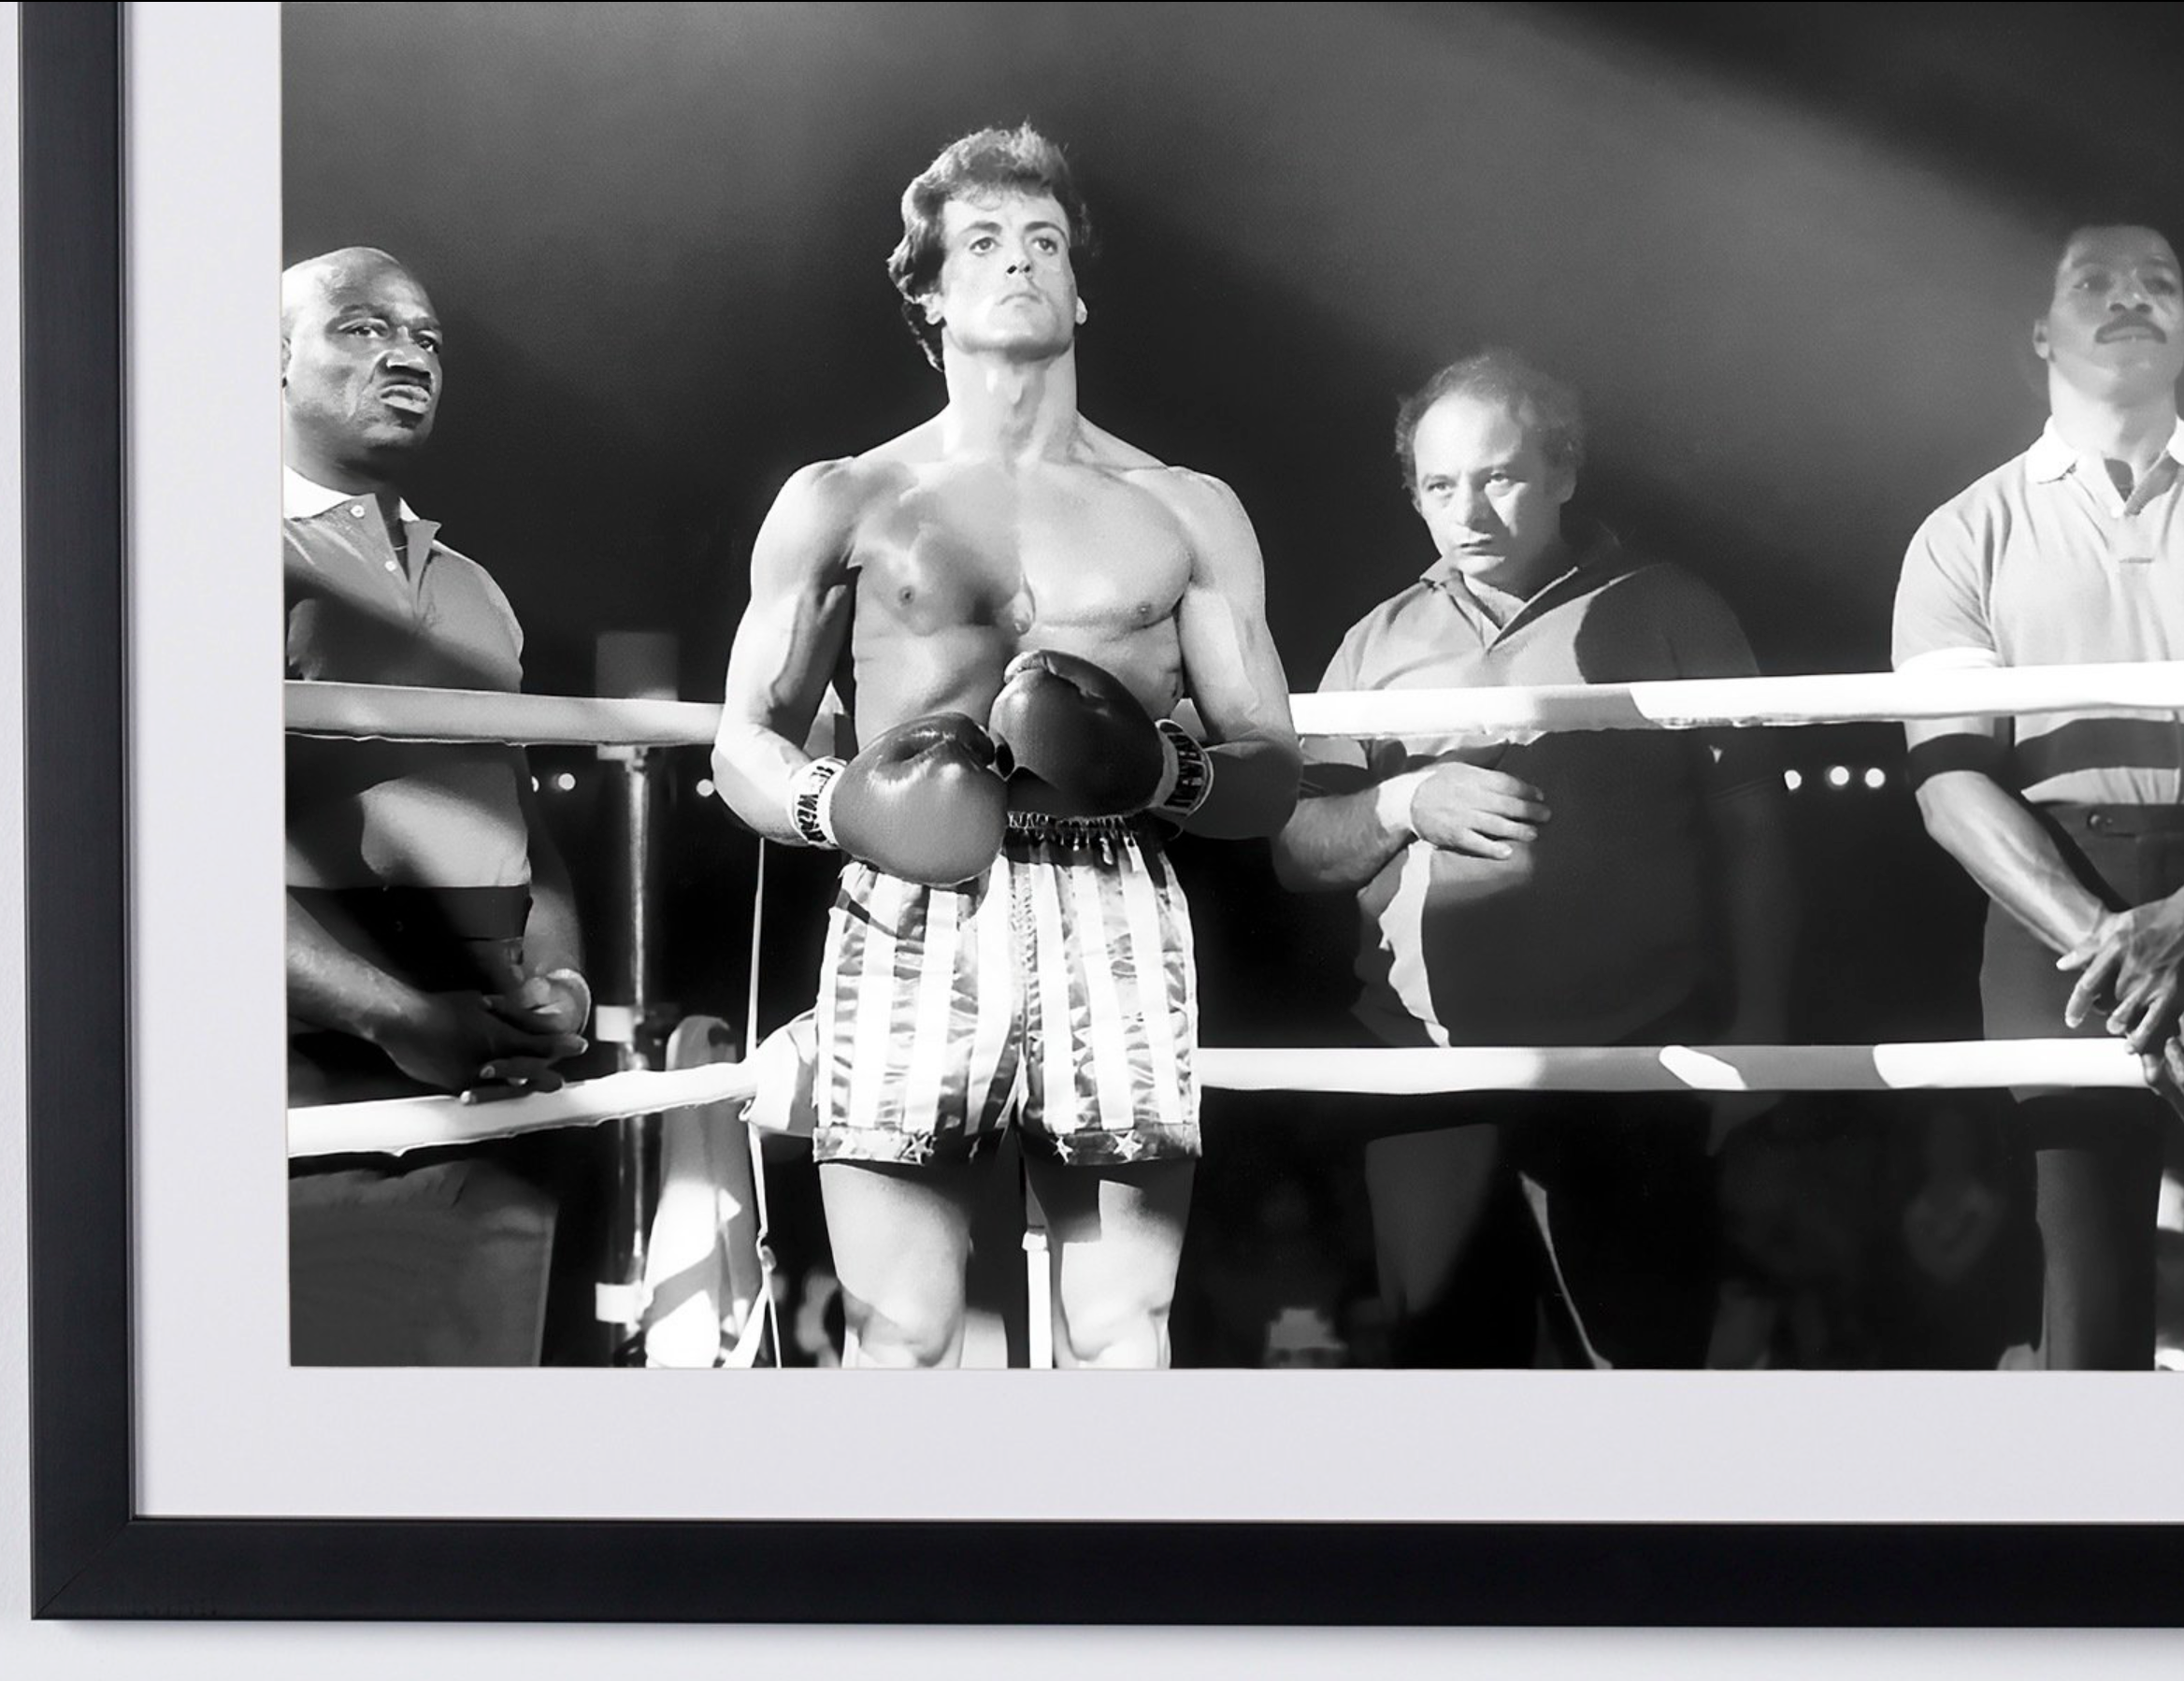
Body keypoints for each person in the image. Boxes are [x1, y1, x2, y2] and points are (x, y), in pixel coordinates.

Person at [711, 126, 1300, 1369]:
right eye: (981, 242)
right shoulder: (844, 498)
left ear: (1079, 290)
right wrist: (838, 805)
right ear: (927, 293)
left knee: (1121, 1326)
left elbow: (1271, 770)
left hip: (1114, 895)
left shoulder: (1186, 508)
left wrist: (1163, 768)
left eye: (1044, 242)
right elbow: (741, 742)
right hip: (907, 900)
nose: (1019, 261)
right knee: (903, 1330)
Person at [1271, 350, 1795, 1369]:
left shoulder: (1673, 608)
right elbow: (1297, 849)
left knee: (1642, 1383)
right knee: (1448, 1384)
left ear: (1563, 471)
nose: (1467, 511)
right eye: (1439, 486)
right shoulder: (1375, 641)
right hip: (1426, 1068)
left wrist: (1762, 1030)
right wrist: (1403, 802)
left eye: (1498, 476)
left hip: (1634, 1060)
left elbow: (1755, 833)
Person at [282, 246, 593, 1363]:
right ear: (272, 358)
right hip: (315, 1076)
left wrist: (562, 980)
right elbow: (169, 857)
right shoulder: (208, 553)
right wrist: (395, 1017)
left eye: (425, 338)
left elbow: (521, 818)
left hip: (497, 1069)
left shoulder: (473, 585)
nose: (408, 355)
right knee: (319, 1427)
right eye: (362, 328)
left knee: (480, 1421)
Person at [1893, 222, 2184, 1370]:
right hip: (2054, 908)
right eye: (2092, 282)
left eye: (2157, 280)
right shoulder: (1962, 533)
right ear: (2039, 333)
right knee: (2090, 1275)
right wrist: (2112, 947)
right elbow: (1947, 779)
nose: (2129, 298)